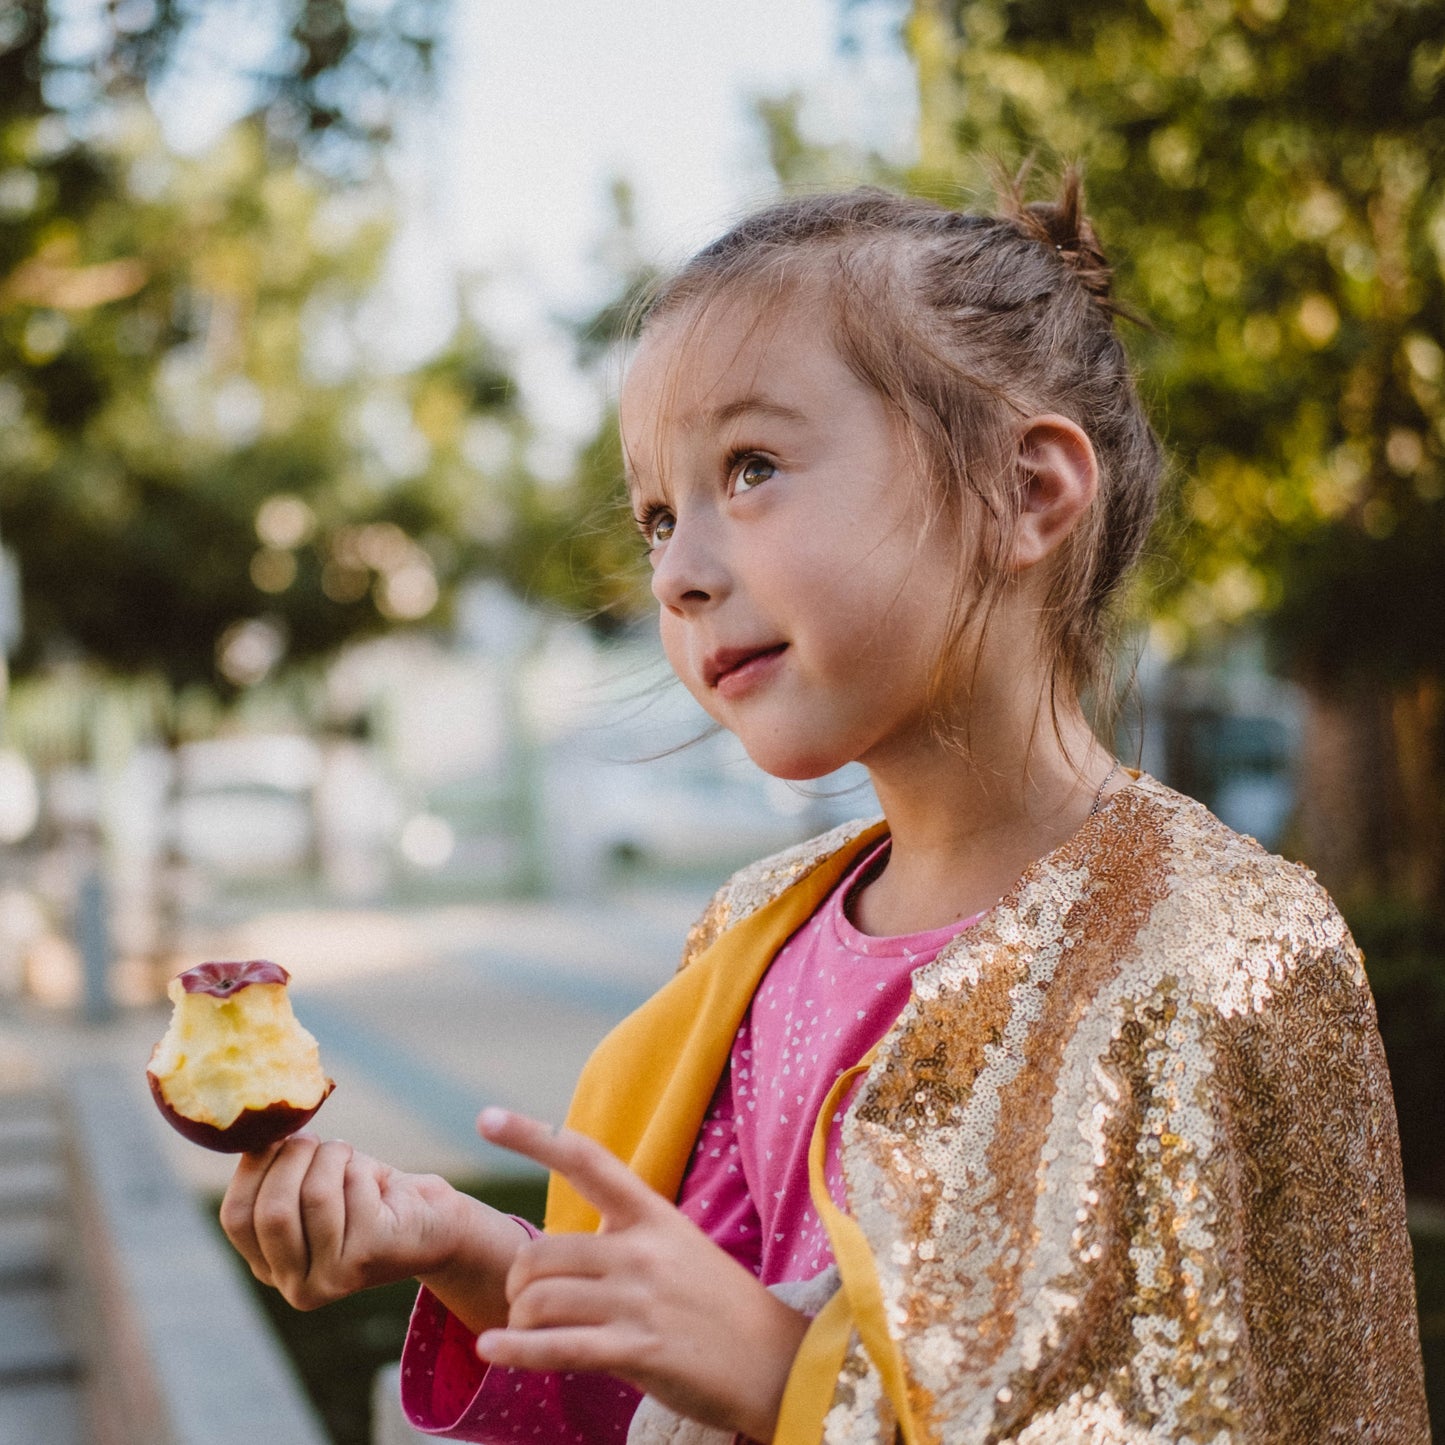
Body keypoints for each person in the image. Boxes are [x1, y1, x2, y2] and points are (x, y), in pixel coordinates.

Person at [219, 177, 1429, 1444]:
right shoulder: (756, 941)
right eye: (657, 515)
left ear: (1025, 491)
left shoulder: (1226, 946)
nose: (679, 574)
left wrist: (784, 1372)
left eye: (750, 468)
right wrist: (474, 1255)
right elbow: (661, 1387)